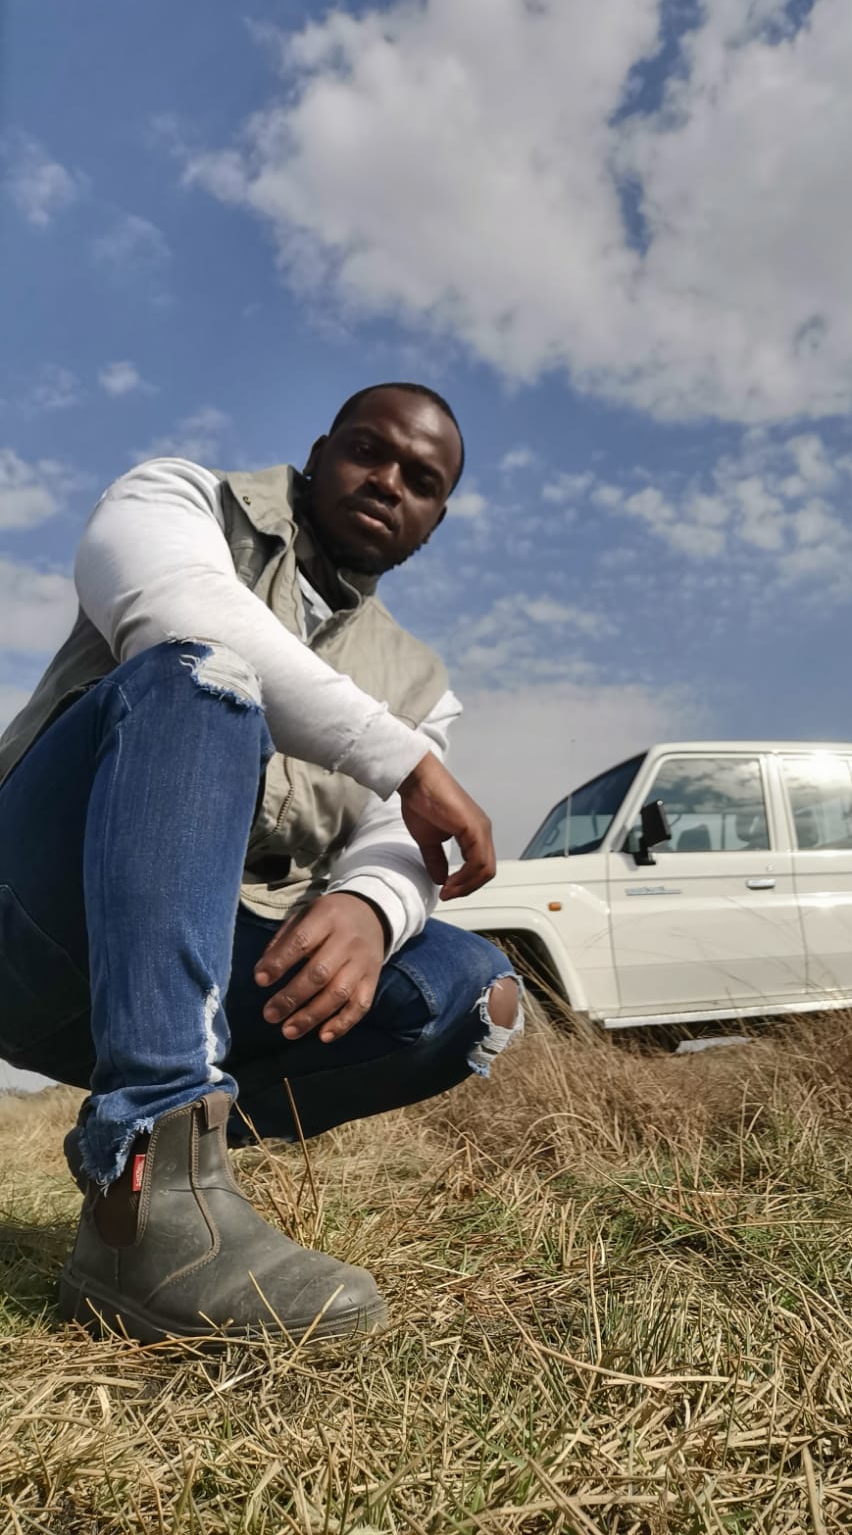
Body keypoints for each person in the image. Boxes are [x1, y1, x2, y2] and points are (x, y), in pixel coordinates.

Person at [0, 381, 522, 1343]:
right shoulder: (177, 498)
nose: (388, 481)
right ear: (319, 454)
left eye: (421, 480)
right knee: (201, 673)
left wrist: (370, 905)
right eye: (368, 450)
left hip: (191, 979)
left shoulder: (421, 682)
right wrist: (405, 760)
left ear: (436, 520)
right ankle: (154, 1123)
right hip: (33, 920)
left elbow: (399, 839)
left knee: (470, 995)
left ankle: (145, 1184)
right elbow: (176, 613)